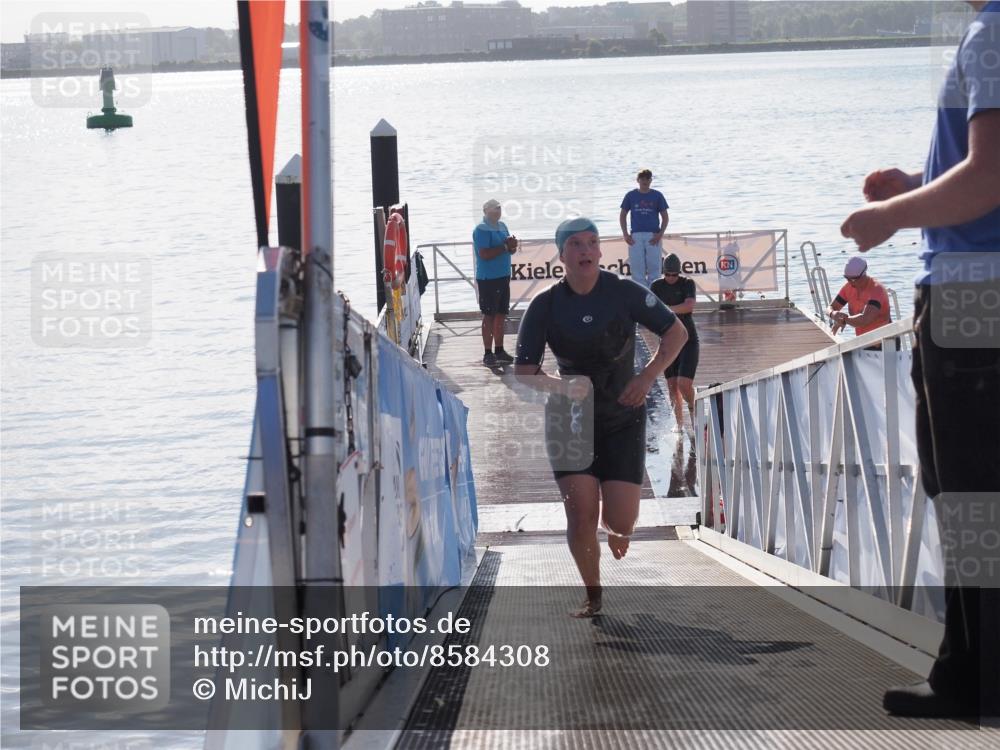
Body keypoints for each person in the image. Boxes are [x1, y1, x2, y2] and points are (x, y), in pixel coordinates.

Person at [840, 0, 999, 720]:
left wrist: (888, 218)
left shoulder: (993, 32)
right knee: (961, 491)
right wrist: (917, 185)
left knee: (972, 495)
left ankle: (979, 682)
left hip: (976, 295)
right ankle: (966, 671)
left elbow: (988, 180)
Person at [514, 217, 688, 618]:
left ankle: (619, 531)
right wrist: (560, 385)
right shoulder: (545, 305)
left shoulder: (623, 292)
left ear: (600, 251)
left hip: (623, 413)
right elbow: (524, 372)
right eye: (575, 244)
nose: (586, 250)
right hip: (569, 419)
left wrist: (646, 378)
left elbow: (676, 333)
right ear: (562, 256)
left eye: (592, 242)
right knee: (581, 513)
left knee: (621, 520)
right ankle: (593, 596)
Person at [650, 253, 699, 433]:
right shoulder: (656, 286)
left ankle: (694, 411)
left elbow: (689, 305)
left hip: (687, 339)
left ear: (679, 273)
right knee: (672, 386)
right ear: (663, 273)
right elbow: (650, 309)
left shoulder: (687, 283)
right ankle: (679, 426)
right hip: (668, 342)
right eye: (668, 274)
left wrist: (667, 310)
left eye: (675, 275)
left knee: (683, 384)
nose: (671, 278)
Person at [472, 198, 519, 366]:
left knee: (501, 314)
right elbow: (484, 254)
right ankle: (487, 353)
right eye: (493, 209)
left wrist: (512, 245)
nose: (497, 211)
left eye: (499, 208)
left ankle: (499, 350)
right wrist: (505, 248)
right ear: (486, 212)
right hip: (488, 278)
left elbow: (509, 249)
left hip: (503, 275)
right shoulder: (481, 229)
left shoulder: (503, 225)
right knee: (489, 315)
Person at [620, 169, 670, 288]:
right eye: (642, 178)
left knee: (655, 269)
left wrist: (660, 234)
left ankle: (654, 298)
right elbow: (622, 215)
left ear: (651, 180)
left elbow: (665, 217)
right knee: (637, 270)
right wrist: (625, 234)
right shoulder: (630, 195)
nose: (645, 181)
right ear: (638, 180)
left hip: (653, 235)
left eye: (648, 178)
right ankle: (641, 299)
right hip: (636, 236)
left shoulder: (657, 195)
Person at [825, 256, 892, 338]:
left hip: (885, 342)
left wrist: (843, 320)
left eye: (853, 279)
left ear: (863, 275)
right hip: (863, 341)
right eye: (847, 278)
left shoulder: (877, 289)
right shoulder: (848, 287)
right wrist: (833, 314)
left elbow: (864, 319)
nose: (850, 282)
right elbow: (830, 307)